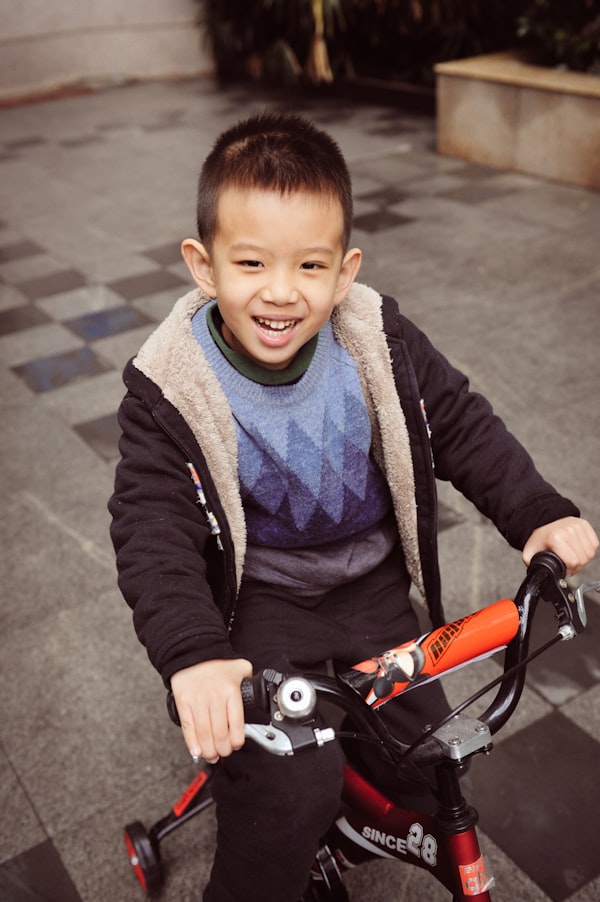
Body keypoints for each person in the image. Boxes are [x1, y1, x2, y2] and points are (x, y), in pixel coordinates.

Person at [109, 112, 598, 901]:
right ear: (203, 267)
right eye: (250, 262)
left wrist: (536, 510)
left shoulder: (375, 337)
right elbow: (149, 526)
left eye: (309, 265)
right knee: (287, 799)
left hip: (371, 589)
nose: (280, 291)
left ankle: (348, 812)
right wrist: (195, 654)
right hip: (262, 602)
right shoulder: (173, 388)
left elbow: (462, 423)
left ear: (344, 273)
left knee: (429, 763)